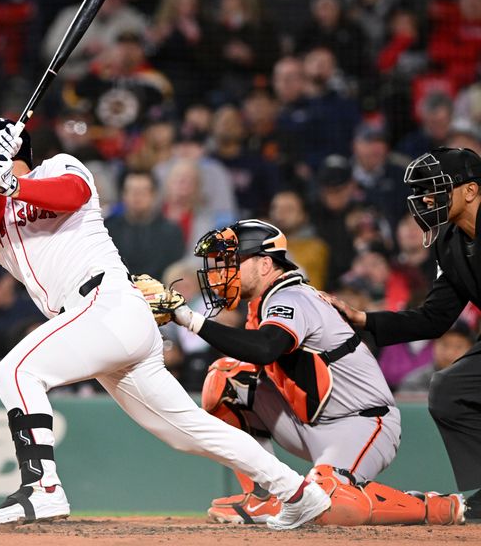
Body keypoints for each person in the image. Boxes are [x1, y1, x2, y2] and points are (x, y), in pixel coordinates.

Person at [0, 117, 330, 528]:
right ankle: (298, 492)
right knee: (186, 429)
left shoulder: (59, 167)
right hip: (92, 325)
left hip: (108, 304)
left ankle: (43, 489)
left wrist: (13, 181)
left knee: (15, 371)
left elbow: (72, 195)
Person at [157, 219, 464, 526]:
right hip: (307, 420)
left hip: (362, 423)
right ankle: (263, 499)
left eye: (233, 262)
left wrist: (189, 319)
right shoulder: (260, 304)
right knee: (224, 379)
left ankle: (433, 507)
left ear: (265, 264)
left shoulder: (291, 297)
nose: (223, 272)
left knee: (326, 504)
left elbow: (266, 348)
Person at [325, 147, 481, 521]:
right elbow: (433, 318)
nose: (427, 199)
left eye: (436, 188)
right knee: (449, 390)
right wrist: (363, 319)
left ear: (471, 191)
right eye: (423, 191)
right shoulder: (450, 242)